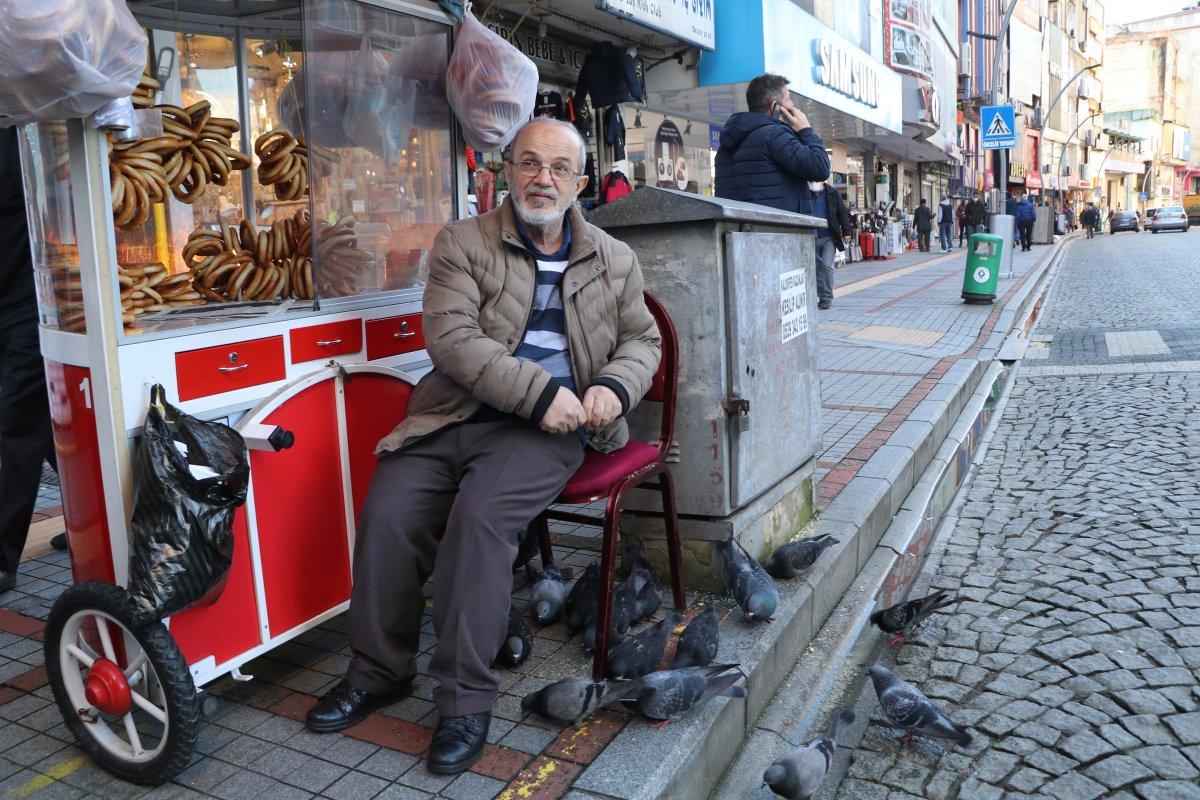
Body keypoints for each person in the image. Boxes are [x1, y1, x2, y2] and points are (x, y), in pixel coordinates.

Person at [305, 117, 660, 775]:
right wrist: (537, 390)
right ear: (503, 171)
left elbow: (645, 340)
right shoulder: (463, 241)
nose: (542, 179)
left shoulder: (614, 257)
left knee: (479, 521)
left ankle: (465, 700)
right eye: (529, 163)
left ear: (580, 182)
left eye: (558, 168)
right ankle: (379, 669)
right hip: (454, 415)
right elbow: (452, 338)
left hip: (547, 432)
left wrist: (614, 384)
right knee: (389, 513)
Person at [0, 128, 60, 593]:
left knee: (18, 423)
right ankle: (92, 522)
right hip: (14, 303)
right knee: (44, 431)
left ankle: (2, 558)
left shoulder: (20, 130)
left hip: (29, 304)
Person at [714, 73, 830, 212]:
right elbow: (820, 168)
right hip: (780, 231)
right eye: (788, 99)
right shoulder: (775, 135)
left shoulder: (726, 145)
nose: (792, 104)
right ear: (774, 107)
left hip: (743, 230)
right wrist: (805, 130)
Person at [805, 179, 850, 309]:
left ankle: (826, 297)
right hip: (810, 237)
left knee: (826, 266)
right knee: (816, 268)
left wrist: (846, 231)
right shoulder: (804, 193)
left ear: (823, 180)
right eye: (811, 180)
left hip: (829, 237)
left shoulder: (832, 193)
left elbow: (842, 213)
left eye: (817, 180)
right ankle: (820, 294)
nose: (814, 182)